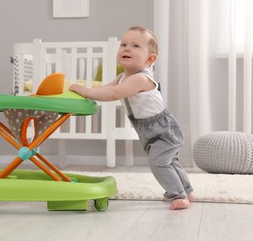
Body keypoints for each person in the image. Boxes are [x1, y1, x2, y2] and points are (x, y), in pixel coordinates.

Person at [69, 26, 194, 210]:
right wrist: (84, 95)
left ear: (150, 59)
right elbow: (105, 89)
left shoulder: (141, 79)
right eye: (124, 44)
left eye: (135, 46)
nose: (127, 48)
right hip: (149, 130)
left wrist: (85, 91)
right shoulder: (122, 77)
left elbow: (114, 94)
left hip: (163, 129)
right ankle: (187, 190)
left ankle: (178, 195)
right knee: (169, 162)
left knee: (160, 163)